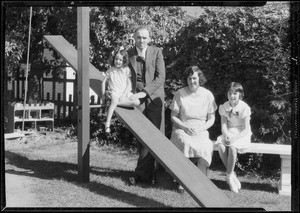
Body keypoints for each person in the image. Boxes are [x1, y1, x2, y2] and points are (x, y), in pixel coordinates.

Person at [127, 26, 165, 185]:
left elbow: (161, 77)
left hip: (154, 98)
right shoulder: (128, 54)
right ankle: (147, 175)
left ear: (149, 39)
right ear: (134, 38)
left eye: (144, 38)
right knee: (142, 137)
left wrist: (145, 92)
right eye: (138, 37)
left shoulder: (157, 52)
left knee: (155, 136)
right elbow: (122, 74)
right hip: (136, 99)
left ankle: (145, 175)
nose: (141, 40)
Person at [169, 65, 217, 192]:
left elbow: (211, 119)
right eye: (189, 78)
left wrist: (201, 129)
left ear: (199, 78)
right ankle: (182, 181)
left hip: (200, 129)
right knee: (185, 142)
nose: (192, 81)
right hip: (182, 127)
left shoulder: (208, 95)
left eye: (194, 78)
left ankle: (201, 179)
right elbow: (173, 116)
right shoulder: (180, 93)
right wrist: (184, 127)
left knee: (206, 144)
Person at [215, 82, 252, 193]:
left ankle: (229, 177)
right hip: (229, 132)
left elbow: (246, 129)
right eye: (230, 93)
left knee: (232, 147)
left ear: (240, 95)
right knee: (221, 146)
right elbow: (224, 125)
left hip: (241, 134)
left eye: (235, 93)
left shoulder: (244, 107)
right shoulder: (224, 107)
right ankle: (232, 174)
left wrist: (234, 138)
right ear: (227, 94)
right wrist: (226, 135)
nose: (232, 96)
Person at [101, 48, 140, 135]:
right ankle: (107, 124)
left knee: (137, 102)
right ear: (113, 59)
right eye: (116, 59)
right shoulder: (110, 70)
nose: (118, 61)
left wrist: (124, 95)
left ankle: (114, 104)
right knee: (114, 99)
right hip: (114, 92)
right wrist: (103, 94)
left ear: (124, 61)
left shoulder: (126, 70)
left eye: (120, 60)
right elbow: (104, 82)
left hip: (123, 93)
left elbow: (129, 85)